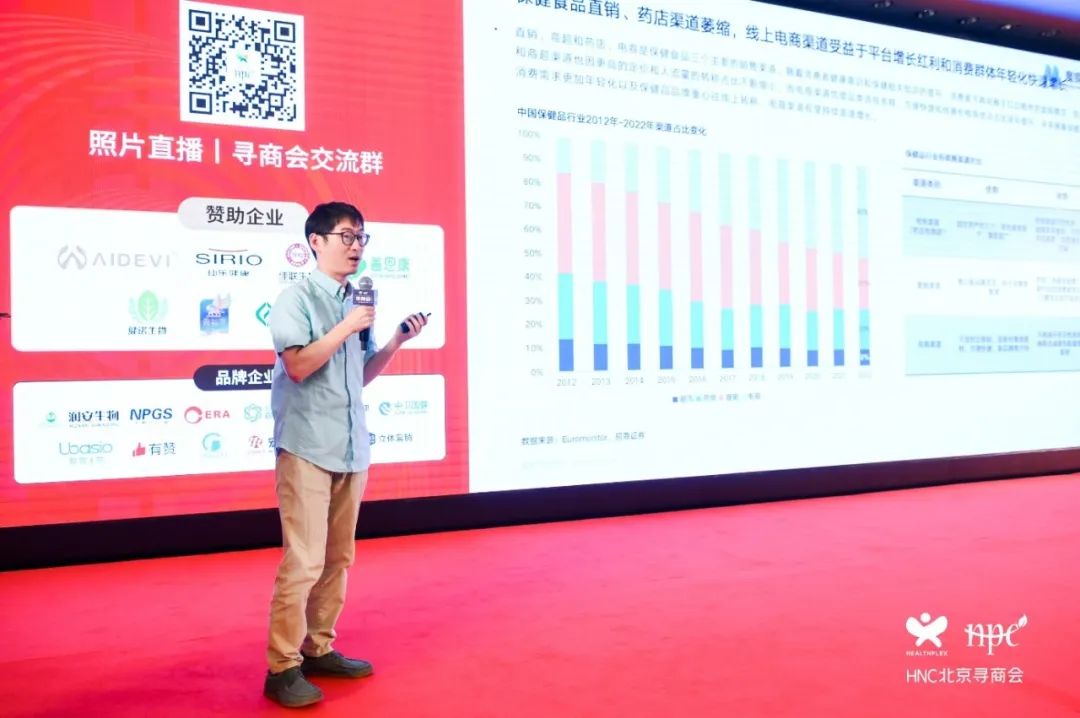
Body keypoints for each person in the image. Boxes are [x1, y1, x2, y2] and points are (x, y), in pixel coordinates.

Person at [263, 201, 428, 708]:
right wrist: (344, 327)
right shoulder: (296, 299)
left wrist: (396, 340)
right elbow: (297, 366)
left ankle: (317, 648)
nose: (356, 247)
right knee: (304, 560)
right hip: (308, 445)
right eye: (346, 236)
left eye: (361, 237)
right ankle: (282, 667)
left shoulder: (358, 305)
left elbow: (360, 375)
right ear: (316, 242)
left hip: (351, 446)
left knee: (338, 558)